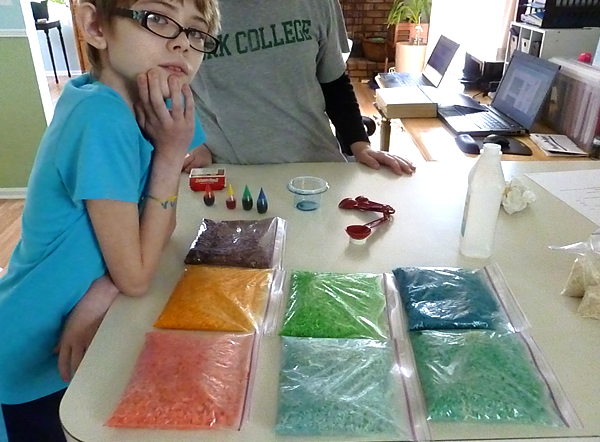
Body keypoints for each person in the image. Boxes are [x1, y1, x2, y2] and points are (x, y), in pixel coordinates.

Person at [0, 0, 219, 439]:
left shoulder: (150, 108)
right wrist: (172, 155)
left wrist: (103, 288)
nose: (182, 43)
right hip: (34, 350)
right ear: (95, 25)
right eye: (158, 18)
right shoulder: (100, 117)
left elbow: (163, 224)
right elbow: (138, 273)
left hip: (83, 333)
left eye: (197, 33)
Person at [182, 0, 417, 175]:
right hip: (231, 173)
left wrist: (360, 144)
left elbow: (334, 81)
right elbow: (168, 84)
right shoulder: (188, 7)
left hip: (315, 165)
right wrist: (194, 142)